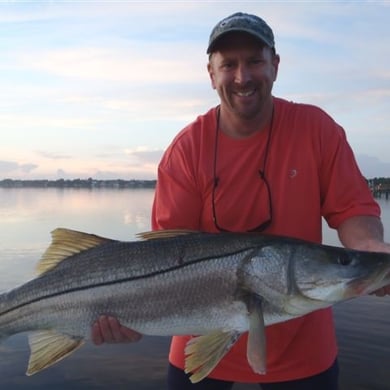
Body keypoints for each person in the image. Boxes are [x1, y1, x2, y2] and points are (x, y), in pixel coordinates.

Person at [91, 12, 390, 390]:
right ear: (211, 74)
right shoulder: (186, 150)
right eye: (228, 65)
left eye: (254, 61)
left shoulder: (317, 130)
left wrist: (369, 250)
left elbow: (353, 209)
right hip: (197, 343)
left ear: (275, 65)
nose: (242, 77)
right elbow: (165, 253)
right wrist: (133, 313)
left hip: (304, 351)